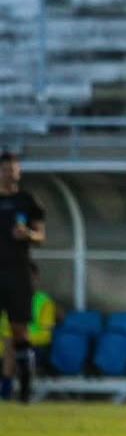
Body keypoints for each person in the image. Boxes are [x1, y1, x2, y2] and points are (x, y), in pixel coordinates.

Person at [0, 151, 47, 404]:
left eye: (13, 169)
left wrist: (28, 234)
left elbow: (41, 236)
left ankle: (26, 389)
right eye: (5, 169)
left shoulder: (27, 201)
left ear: (19, 172)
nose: (9, 173)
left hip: (18, 273)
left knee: (20, 331)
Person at [1, 262, 58, 399]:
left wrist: (23, 338)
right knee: (10, 346)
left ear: (35, 278)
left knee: (13, 349)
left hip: (35, 347)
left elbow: (46, 333)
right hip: (8, 345)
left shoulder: (44, 301)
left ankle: (6, 391)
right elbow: (4, 329)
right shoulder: (8, 303)